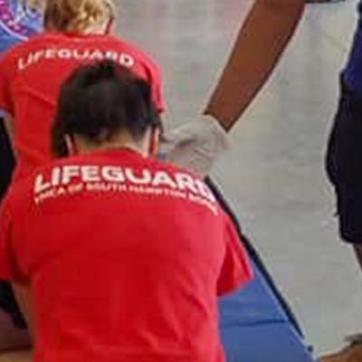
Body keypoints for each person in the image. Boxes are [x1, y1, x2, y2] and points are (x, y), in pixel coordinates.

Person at [0, 60, 252, 362]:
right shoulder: (202, 198)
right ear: (155, 140)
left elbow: (31, 305)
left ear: (68, 144)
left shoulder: (28, 195)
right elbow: (213, 289)